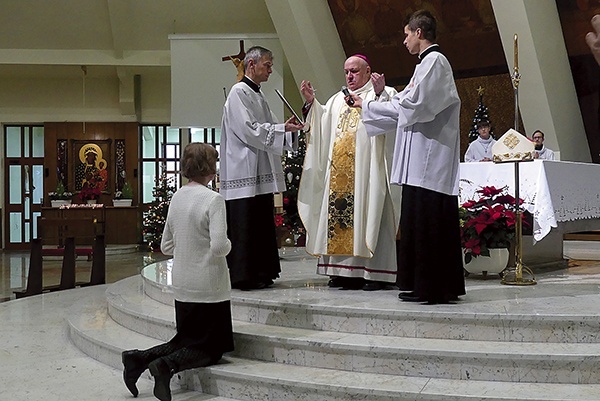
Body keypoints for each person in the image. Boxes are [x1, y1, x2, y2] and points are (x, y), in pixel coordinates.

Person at [349, 9, 465, 304]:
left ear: (419, 32)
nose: (404, 41)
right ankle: (421, 284)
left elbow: (414, 106)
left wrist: (370, 105)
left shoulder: (435, 62)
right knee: (418, 221)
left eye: (406, 34)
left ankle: (434, 288)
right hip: (419, 163)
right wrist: (373, 104)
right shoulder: (425, 64)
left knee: (429, 222)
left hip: (430, 162)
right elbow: (407, 105)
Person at [121, 143, 233, 401]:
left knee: (185, 339)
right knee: (212, 347)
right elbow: (218, 247)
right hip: (209, 284)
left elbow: (166, 245)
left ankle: (137, 359)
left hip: (182, 282)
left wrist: (189, 246)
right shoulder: (213, 199)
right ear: (211, 168)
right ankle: (165, 366)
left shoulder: (178, 196)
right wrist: (229, 244)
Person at [297, 55, 401, 291]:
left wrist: (380, 95)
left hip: (367, 174)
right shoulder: (336, 100)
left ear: (368, 71)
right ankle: (341, 272)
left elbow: (393, 120)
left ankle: (374, 274)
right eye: (346, 72)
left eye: (354, 71)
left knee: (370, 215)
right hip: (338, 178)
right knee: (338, 219)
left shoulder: (383, 94)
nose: (349, 76)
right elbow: (322, 126)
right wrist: (313, 104)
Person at [220, 46, 304, 290]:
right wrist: (279, 130)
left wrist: (286, 130)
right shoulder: (238, 92)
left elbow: (266, 127)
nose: (270, 69)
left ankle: (262, 272)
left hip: (257, 170)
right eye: (266, 65)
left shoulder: (258, 94)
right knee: (246, 223)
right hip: (243, 171)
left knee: (260, 223)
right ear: (251, 65)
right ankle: (244, 276)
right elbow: (248, 129)